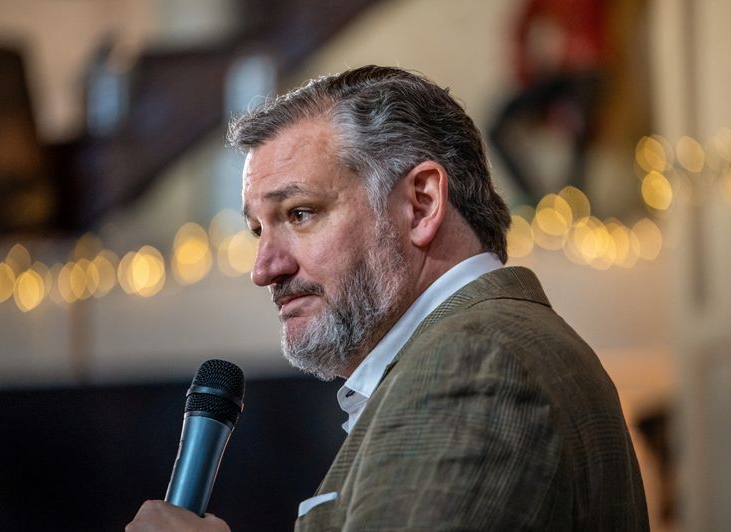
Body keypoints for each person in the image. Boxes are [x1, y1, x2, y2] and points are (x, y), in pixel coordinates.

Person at [128, 65, 648, 531]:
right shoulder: (479, 351)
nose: (265, 269)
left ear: (421, 204)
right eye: (257, 230)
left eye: (299, 213)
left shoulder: (472, 363)